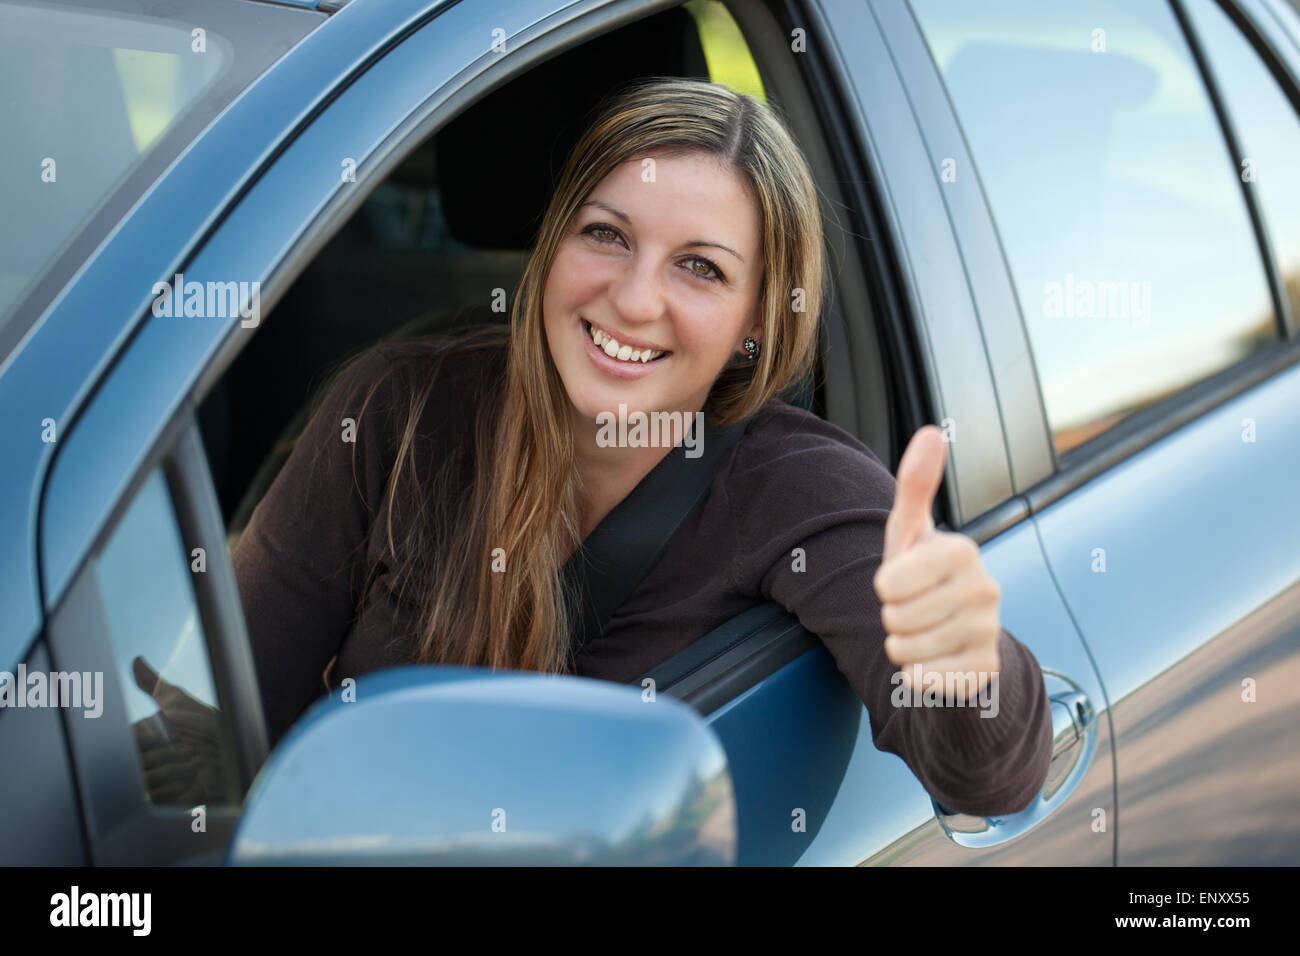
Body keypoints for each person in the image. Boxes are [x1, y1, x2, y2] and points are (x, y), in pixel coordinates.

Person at [229, 76, 1054, 819]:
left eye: (699, 268)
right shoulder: (396, 414)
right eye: (607, 235)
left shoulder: (802, 491)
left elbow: (989, 780)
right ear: (554, 243)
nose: (631, 298)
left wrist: (963, 663)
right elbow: (220, 728)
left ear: (757, 323)